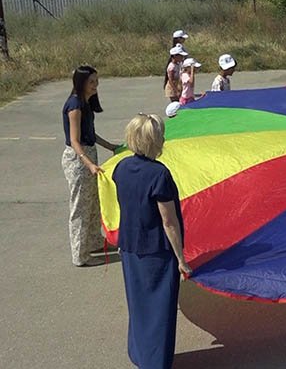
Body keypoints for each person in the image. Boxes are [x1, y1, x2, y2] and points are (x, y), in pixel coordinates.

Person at [113, 113, 192, 369]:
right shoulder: (159, 174)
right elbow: (169, 222)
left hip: (130, 246)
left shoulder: (121, 168)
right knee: (160, 311)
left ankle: (139, 354)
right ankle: (155, 362)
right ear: (154, 140)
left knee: (138, 305)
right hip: (156, 250)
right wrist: (181, 259)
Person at [61, 65, 121, 267]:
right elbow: (75, 140)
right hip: (78, 160)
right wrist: (89, 164)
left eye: (97, 81)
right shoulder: (75, 105)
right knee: (80, 207)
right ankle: (80, 255)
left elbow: (90, 134)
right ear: (81, 83)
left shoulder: (86, 103)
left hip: (89, 156)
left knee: (93, 203)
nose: (96, 86)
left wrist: (110, 146)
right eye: (91, 82)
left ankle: (94, 242)